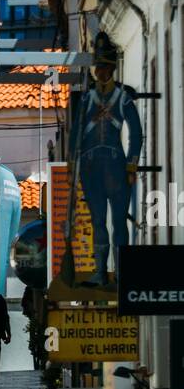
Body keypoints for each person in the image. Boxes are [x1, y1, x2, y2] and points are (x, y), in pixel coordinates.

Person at [70, 30, 142, 288]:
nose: (102, 72)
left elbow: (136, 133)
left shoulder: (122, 97)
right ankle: (100, 271)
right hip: (90, 166)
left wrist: (132, 165)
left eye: (106, 67)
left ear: (112, 68)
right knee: (97, 220)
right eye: (99, 67)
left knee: (119, 221)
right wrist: (71, 166)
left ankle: (122, 272)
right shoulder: (87, 99)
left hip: (114, 164)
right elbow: (76, 133)